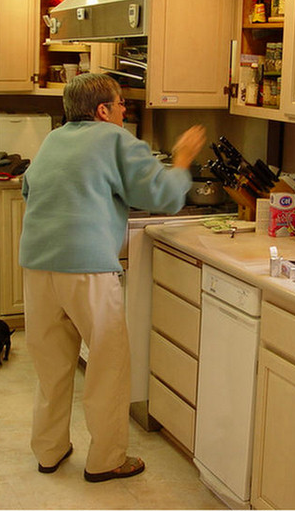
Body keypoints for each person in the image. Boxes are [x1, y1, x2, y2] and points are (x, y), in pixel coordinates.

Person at [19, 73, 206, 482]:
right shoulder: (116, 139)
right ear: (103, 110)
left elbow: (28, 190)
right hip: (86, 268)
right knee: (108, 366)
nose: (125, 109)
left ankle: (49, 451)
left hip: (37, 265)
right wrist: (182, 160)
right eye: (121, 103)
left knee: (52, 367)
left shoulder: (53, 140)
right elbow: (163, 196)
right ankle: (106, 460)